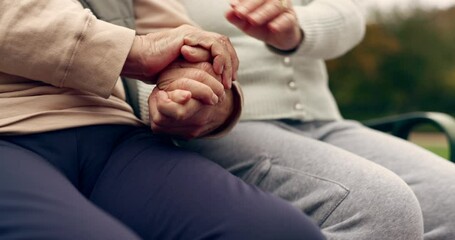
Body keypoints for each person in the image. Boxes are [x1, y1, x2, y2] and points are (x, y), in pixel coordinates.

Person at [0, 1, 327, 239]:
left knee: (280, 232)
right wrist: (135, 51)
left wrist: (206, 93)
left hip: (111, 132)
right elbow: (147, 47)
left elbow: (176, 36)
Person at [138, 0, 455, 239]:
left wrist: (296, 27)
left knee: (450, 199)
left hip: (323, 119)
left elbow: (349, 14)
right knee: (382, 207)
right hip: (220, 126)